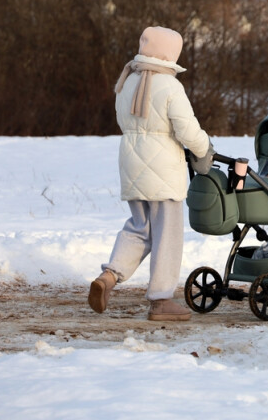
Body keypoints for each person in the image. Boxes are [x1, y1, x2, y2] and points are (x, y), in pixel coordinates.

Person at [88, 26, 214, 321]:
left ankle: (109, 276)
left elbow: (123, 120)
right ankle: (161, 301)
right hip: (163, 171)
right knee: (167, 235)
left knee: (139, 227)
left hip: (131, 165)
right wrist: (204, 148)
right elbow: (187, 129)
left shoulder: (128, 79)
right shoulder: (170, 86)